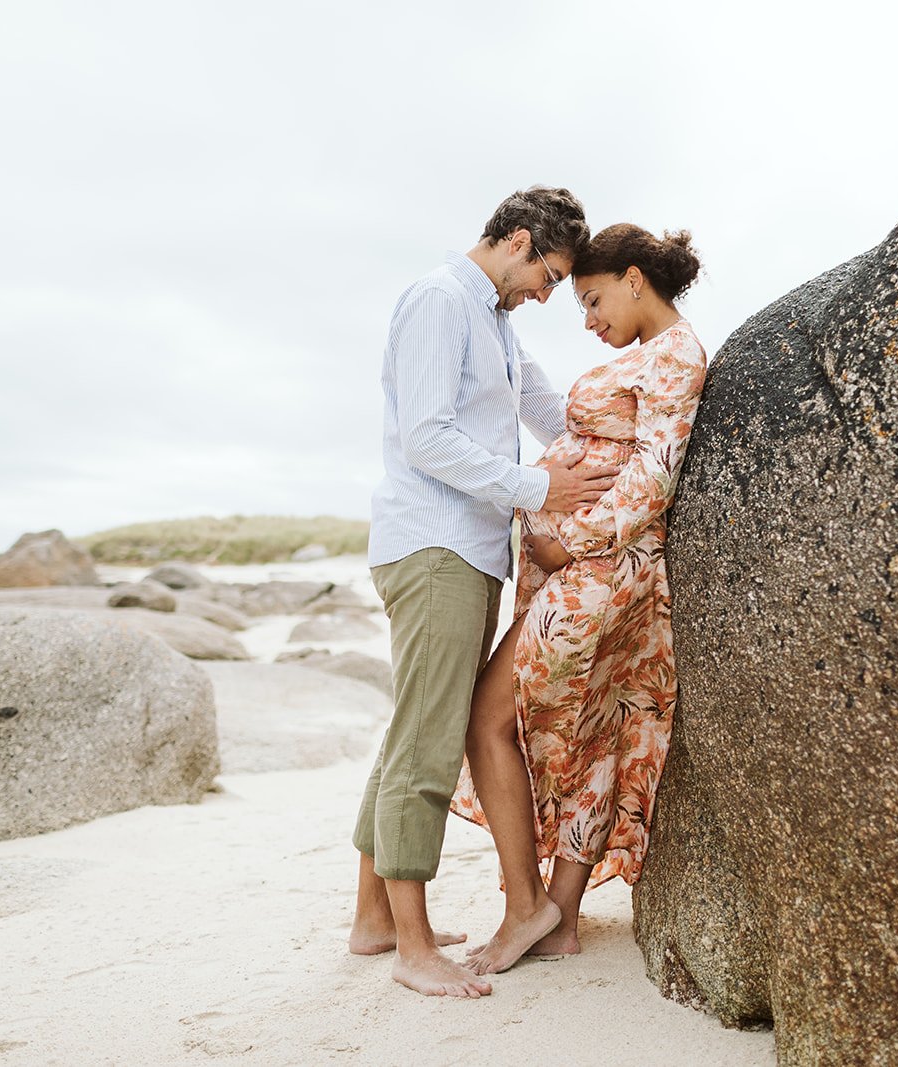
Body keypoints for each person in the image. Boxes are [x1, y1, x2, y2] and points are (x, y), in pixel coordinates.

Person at [349, 187, 621, 999]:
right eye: (550, 274)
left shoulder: (495, 321)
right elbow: (426, 435)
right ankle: (412, 945)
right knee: (429, 742)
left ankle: (370, 918)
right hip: (433, 546)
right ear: (518, 240)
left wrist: (621, 444)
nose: (549, 293)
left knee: (413, 728)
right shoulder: (439, 301)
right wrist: (536, 488)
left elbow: (545, 407)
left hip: (465, 551)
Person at [451, 223, 708, 974]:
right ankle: (559, 919)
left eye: (593, 299)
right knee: (599, 728)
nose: (589, 320)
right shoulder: (650, 355)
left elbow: (654, 474)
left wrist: (569, 541)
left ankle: (527, 909)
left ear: (635, 279)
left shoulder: (675, 353)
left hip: (599, 572)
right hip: (598, 574)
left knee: (486, 717)